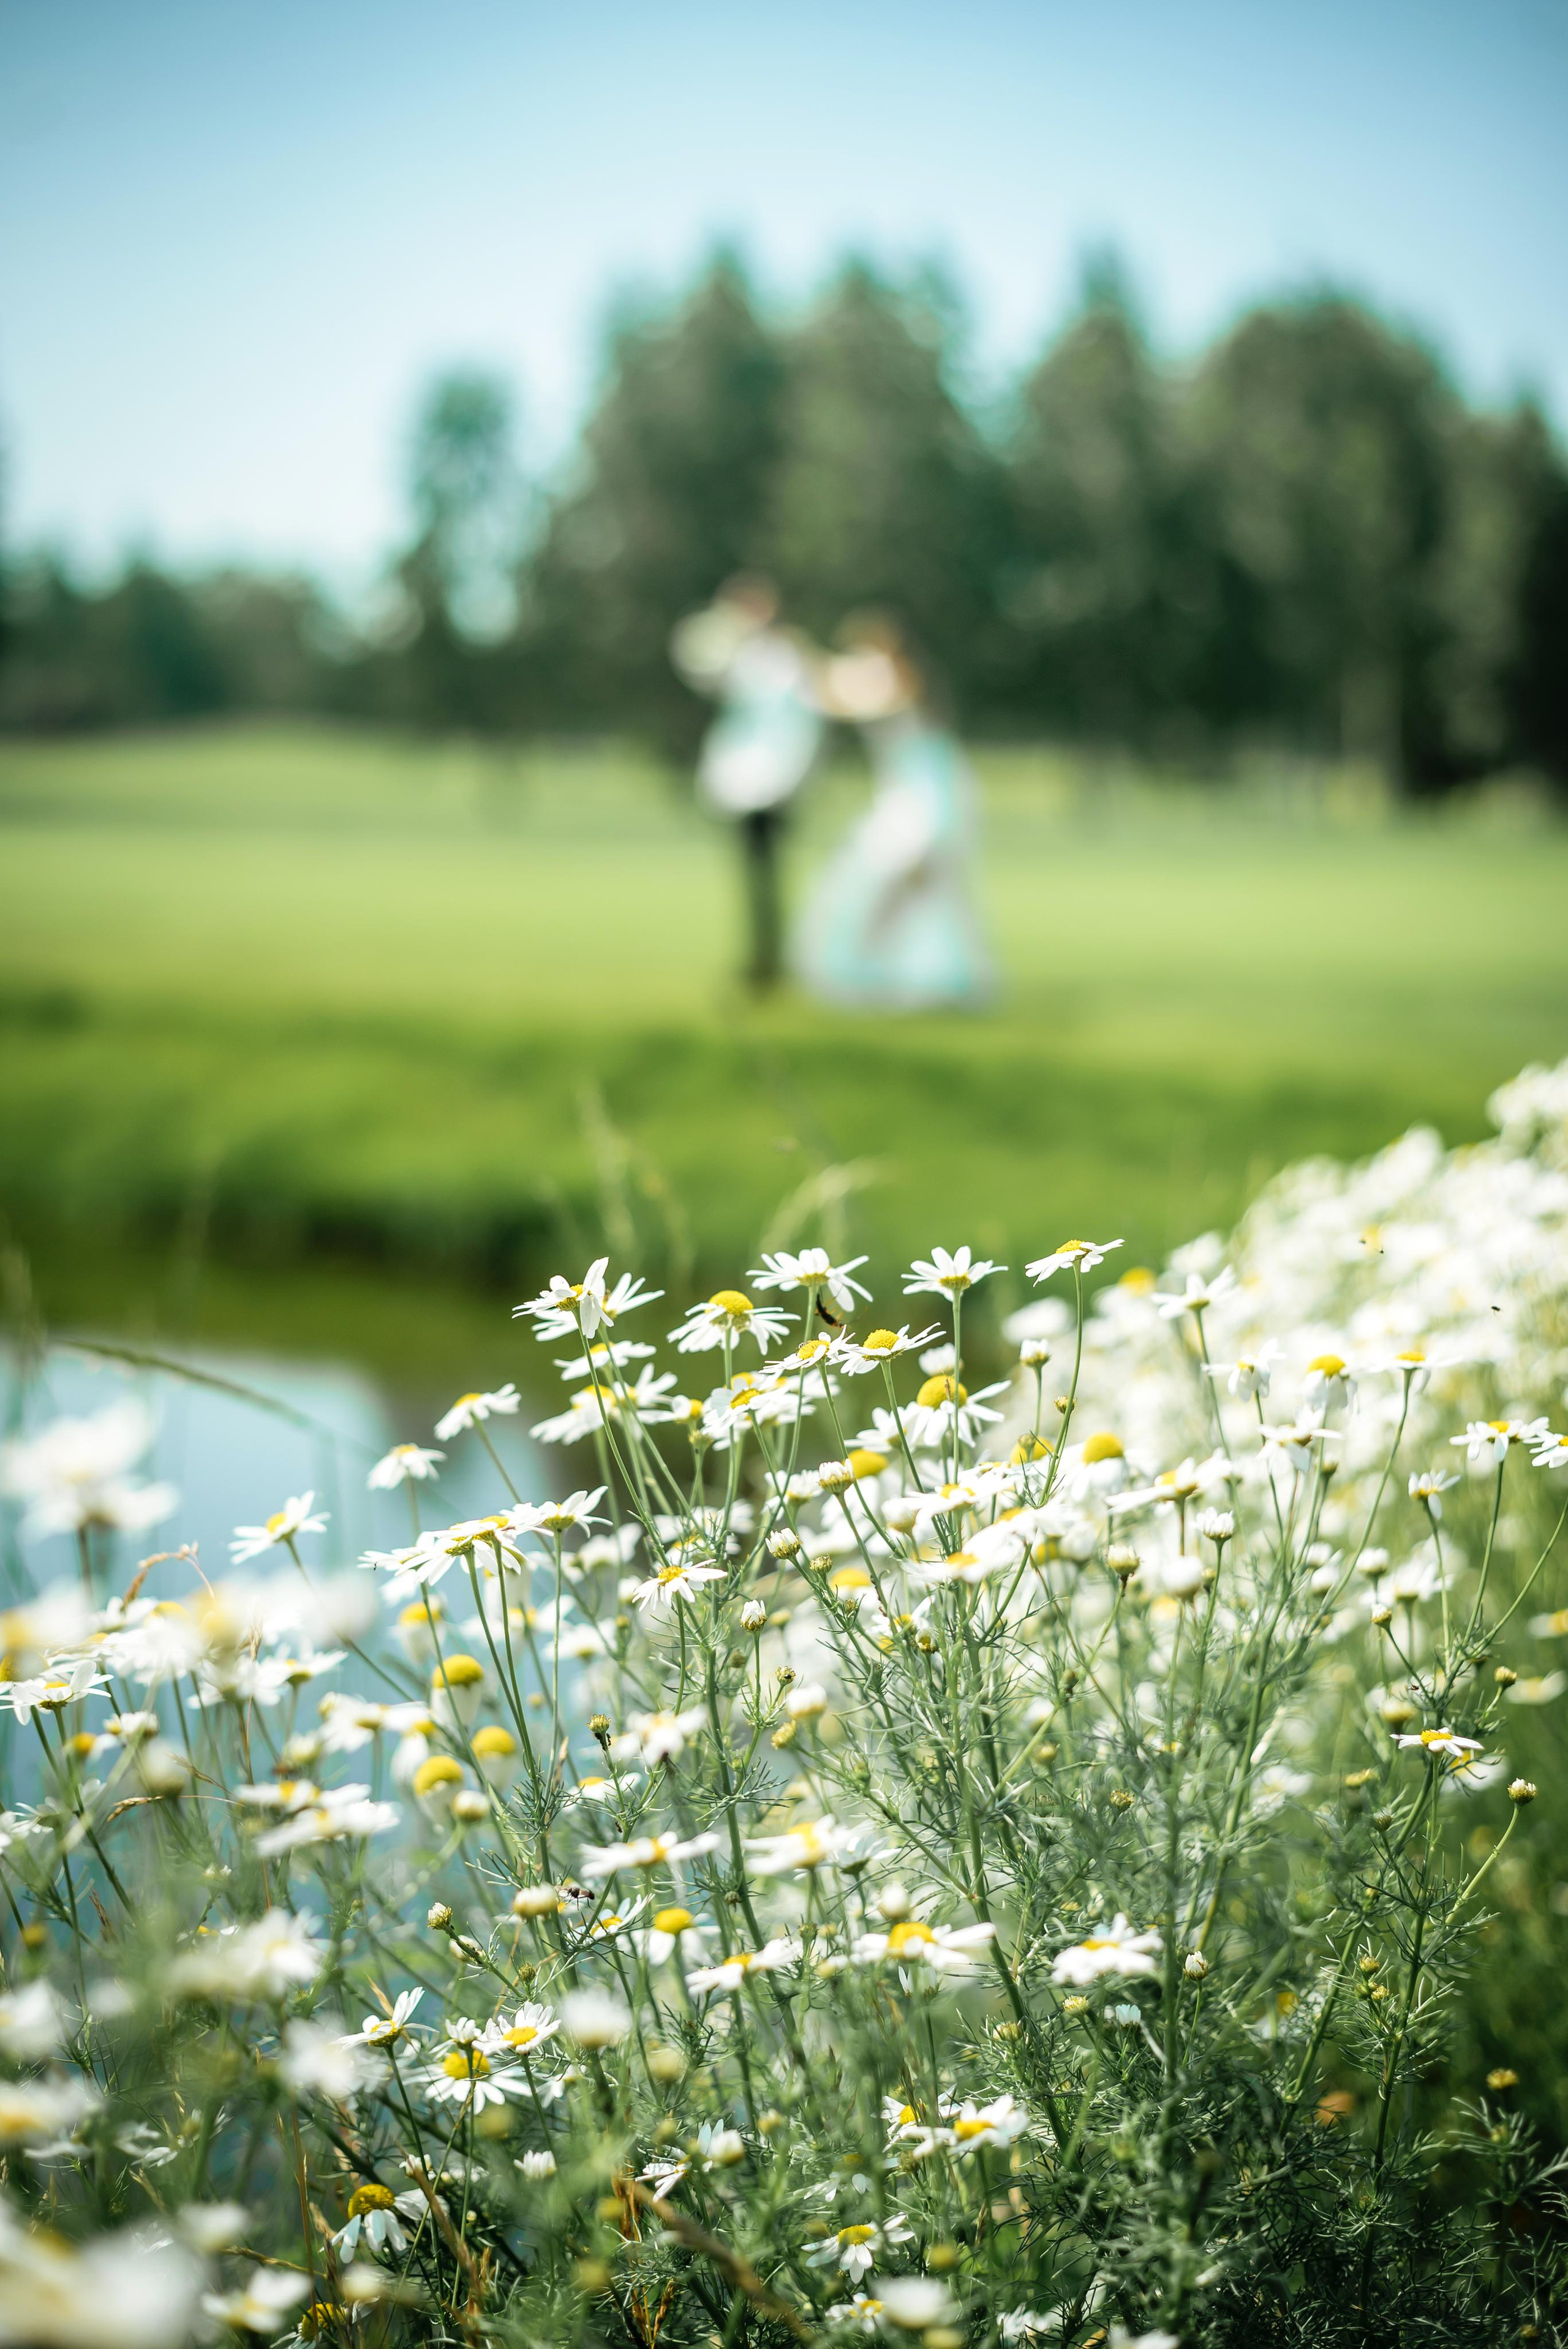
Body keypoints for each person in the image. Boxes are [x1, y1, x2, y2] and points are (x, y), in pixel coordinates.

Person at [794, 614, 993, 1010]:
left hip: (928, 794)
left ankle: (910, 973)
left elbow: (850, 697)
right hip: (903, 794)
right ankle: (891, 970)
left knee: (914, 881)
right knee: (899, 886)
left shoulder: (903, 681)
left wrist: (806, 664)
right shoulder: (882, 682)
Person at [670, 575, 825, 992]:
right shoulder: (745, 659)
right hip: (747, 787)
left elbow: (798, 725)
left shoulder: (784, 658)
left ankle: (770, 962)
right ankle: (763, 959)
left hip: (774, 785)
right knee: (755, 876)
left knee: (766, 875)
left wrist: (792, 780)